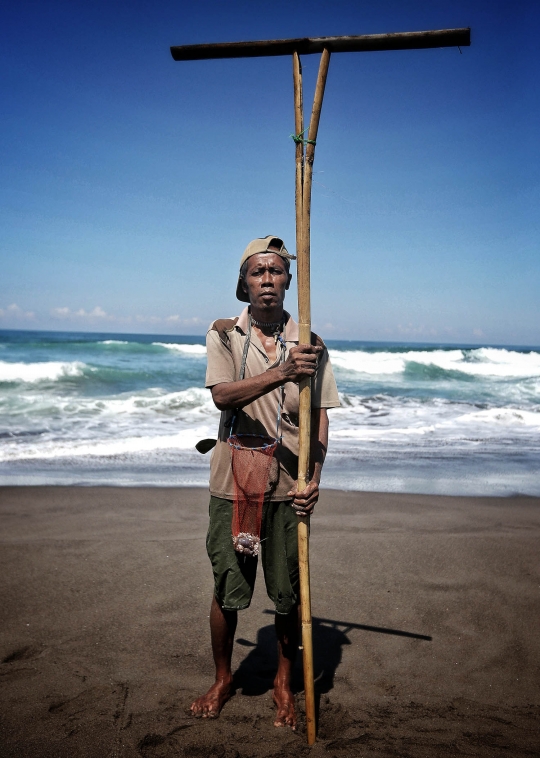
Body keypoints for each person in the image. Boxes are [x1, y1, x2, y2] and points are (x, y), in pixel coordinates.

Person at [190, 235, 340, 729]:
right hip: (234, 478)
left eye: (277, 272)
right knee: (228, 585)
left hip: (288, 481)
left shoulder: (311, 343)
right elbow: (222, 396)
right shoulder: (224, 333)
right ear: (244, 283)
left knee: (288, 590)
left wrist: (314, 478)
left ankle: (282, 682)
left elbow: (319, 418)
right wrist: (280, 372)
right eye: (258, 273)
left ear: (289, 281)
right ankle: (222, 677)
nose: (268, 280)